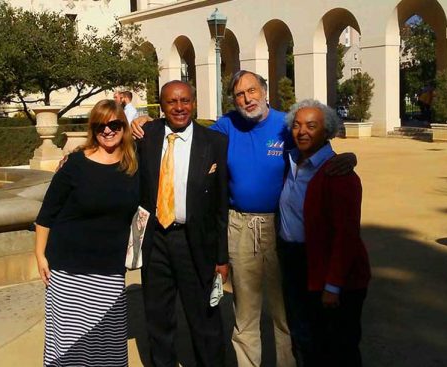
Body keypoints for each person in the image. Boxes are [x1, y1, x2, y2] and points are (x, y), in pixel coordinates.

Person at [133, 70, 356, 367]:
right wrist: (141, 121)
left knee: (284, 314)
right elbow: (187, 129)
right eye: (239, 94)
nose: (247, 98)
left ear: (265, 91)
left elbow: (312, 144)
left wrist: (342, 157)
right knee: (245, 314)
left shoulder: (286, 126)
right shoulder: (225, 127)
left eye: (252, 91)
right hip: (238, 225)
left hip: (277, 228)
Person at [34, 99, 139, 367]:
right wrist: (39, 255)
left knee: (108, 343)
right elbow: (47, 214)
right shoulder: (75, 164)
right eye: (100, 125)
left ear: (123, 127)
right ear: (93, 128)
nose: (107, 130)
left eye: (114, 124)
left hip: (110, 270)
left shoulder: (133, 166)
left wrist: (146, 121)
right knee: (71, 344)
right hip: (69, 269)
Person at [137, 80, 229, 367]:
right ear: (161, 106)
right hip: (156, 242)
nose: (179, 107)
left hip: (195, 242)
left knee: (204, 318)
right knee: (158, 318)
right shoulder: (145, 136)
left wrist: (221, 257)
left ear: (194, 102)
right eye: (172, 102)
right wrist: (73, 156)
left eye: (185, 101)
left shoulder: (214, 142)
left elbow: (220, 205)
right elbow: (106, 144)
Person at [280, 99, 371, 367]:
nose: (302, 131)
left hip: (331, 271)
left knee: (338, 347)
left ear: (327, 131)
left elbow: (347, 235)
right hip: (296, 263)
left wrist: (333, 286)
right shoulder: (292, 161)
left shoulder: (338, 174)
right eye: (296, 125)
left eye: (311, 126)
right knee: (305, 339)